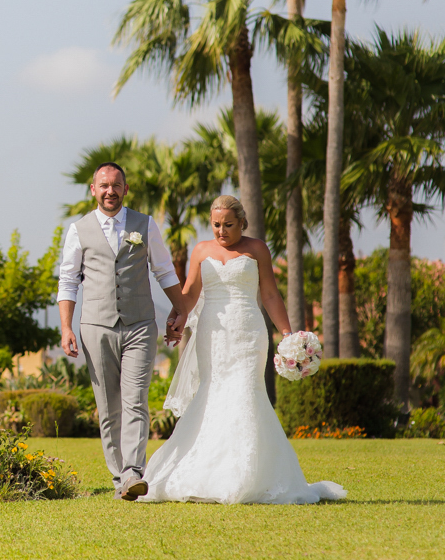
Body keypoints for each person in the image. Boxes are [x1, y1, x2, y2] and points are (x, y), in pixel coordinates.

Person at [140, 195, 346, 504]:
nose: (221, 231)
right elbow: (189, 296)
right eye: (216, 225)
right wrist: (176, 320)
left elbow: (271, 295)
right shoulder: (200, 251)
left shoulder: (257, 249)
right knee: (213, 394)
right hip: (213, 335)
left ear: (242, 223)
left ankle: (247, 475)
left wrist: (288, 335)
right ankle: (206, 473)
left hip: (249, 334)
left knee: (246, 394)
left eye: (228, 225)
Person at [57, 162, 184, 500]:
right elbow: (68, 280)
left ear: (125, 189)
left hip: (141, 324)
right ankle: (119, 479)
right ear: (93, 190)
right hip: (95, 327)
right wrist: (66, 327)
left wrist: (182, 309)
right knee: (109, 404)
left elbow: (164, 270)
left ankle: (133, 472)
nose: (110, 191)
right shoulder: (78, 229)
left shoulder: (145, 224)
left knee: (135, 400)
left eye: (116, 185)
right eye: (103, 185)